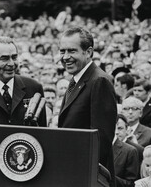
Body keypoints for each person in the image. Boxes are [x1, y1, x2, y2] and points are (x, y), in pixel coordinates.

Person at [57, 27, 117, 186]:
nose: (65, 57)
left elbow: (101, 138)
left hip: (87, 175)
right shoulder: (77, 79)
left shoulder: (99, 81)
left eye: (72, 51)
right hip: (74, 170)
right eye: (62, 51)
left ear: (88, 52)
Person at [113, 114, 140, 187]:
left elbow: (131, 183)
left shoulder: (131, 151)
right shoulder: (95, 146)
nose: (116, 132)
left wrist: (108, 177)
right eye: (113, 128)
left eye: (120, 128)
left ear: (127, 129)